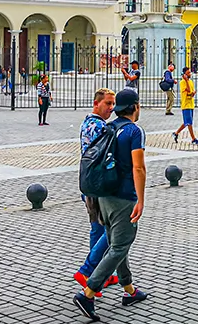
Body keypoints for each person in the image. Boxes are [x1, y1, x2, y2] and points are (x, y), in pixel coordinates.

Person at [73, 88, 149, 321]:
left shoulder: (109, 127)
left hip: (103, 194)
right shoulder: (134, 131)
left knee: (118, 243)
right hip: (124, 196)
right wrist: (141, 199)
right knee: (119, 245)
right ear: (135, 107)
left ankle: (129, 290)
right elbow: (138, 167)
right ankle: (88, 292)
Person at [75, 88, 119, 291]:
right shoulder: (100, 127)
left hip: (87, 181)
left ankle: (100, 273)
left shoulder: (88, 122)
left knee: (97, 227)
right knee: (110, 229)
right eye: (108, 104)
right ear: (96, 103)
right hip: (98, 184)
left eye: (113, 104)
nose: (112, 108)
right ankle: (89, 270)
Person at [173, 67, 198, 145]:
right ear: (184, 74)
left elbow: (191, 92)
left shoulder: (191, 82)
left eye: (190, 72)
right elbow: (188, 90)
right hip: (186, 104)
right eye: (188, 73)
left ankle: (176, 133)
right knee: (189, 123)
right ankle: (193, 139)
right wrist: (185, 80)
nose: (190, 74)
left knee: (187, 122)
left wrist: (193, 93)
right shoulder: (182, 82)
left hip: (191, 104)